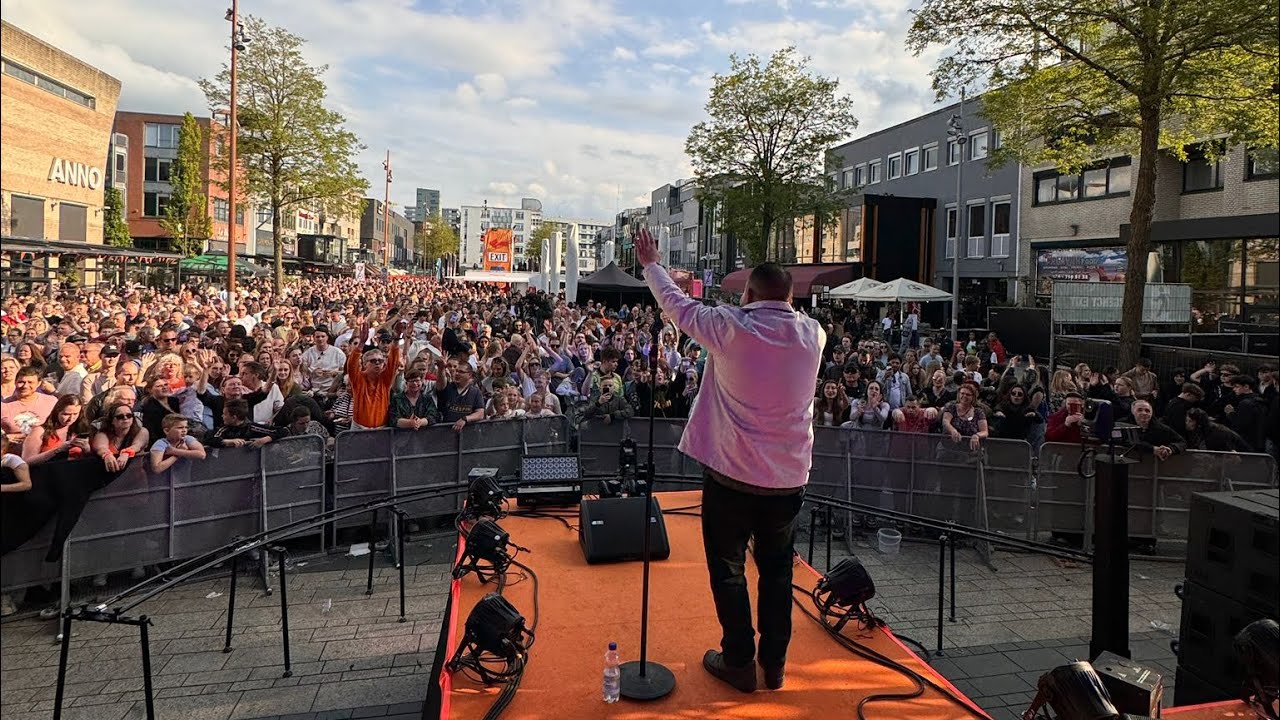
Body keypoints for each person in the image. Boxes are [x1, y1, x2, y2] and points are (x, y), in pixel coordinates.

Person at [638, 227, 823, 693]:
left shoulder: (730, 328)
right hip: (787, 482)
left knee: (728, 569)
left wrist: (651, 264)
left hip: (732, 479)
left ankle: (740, 660)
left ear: (751, 292)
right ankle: (774, 666)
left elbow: (677, 307)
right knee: (778, 571)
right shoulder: (813, 336)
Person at [21, 394, 90, 464]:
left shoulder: (81, 430)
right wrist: (58, 450)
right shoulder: (40, 431)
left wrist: (87, 449)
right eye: (66, 414)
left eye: (75, 414)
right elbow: (27, 461)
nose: (71, 419)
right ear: (57, 412)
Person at [91, 400, 149, 472]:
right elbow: (101, 447)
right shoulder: (103, 434)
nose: (125, 418)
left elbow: (137, 445)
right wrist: (107, 455)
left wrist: (127, 453)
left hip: (134, 473)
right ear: (112, 420)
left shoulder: (142, 431)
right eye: (120, 416)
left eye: (129, 415)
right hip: (109, 473)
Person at [941, 382, 989, 451]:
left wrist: (977, 435)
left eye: (968, 395)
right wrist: (953, 431)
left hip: (970, 451)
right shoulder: (951, 407)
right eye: (962, 393)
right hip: (948, 448)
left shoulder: (978, 412)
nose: (964, 396)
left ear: (973, 397)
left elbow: (985, 431)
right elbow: (945, 421)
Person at [1184, 407, 1251, 452]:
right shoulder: (1204, 431)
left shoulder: (1215, 433)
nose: (1187, 423)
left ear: (1198, 422)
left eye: (1190, 421)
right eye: (1187, 420)